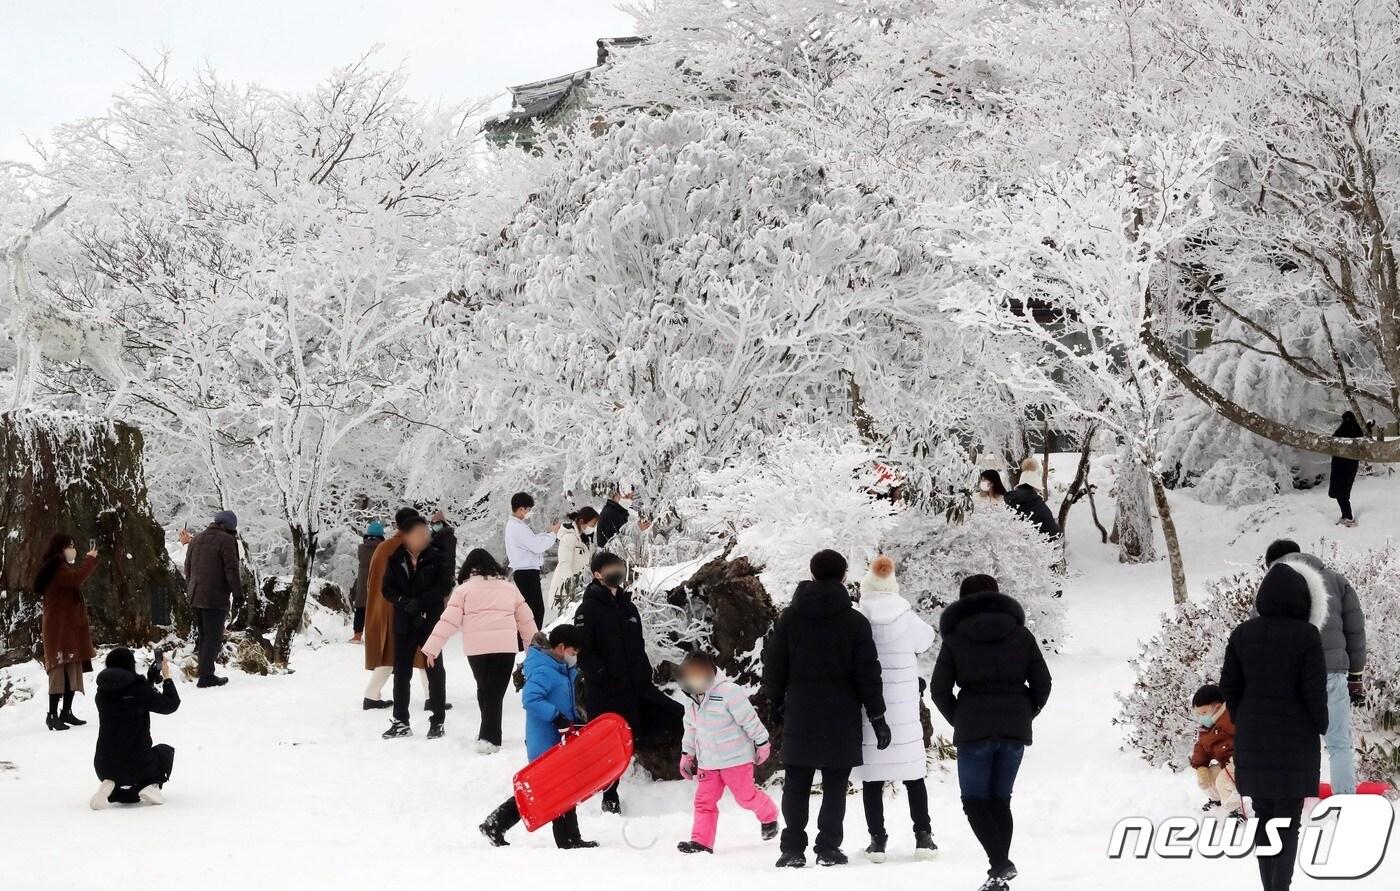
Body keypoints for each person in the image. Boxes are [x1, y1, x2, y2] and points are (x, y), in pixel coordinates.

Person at [763, 549, 889, 868]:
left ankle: (792, 848)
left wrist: (775, 702)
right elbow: (867, 672)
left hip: (801, 709)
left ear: (812, 572)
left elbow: (774, 666)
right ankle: (828, 847)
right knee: (835, 782)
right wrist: (877, 715)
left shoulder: (789, 618)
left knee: (797, 780)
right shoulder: (855, 621)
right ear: (844, 576)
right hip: (841, 713)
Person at [930, 574, 1052, 891]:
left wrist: (960, 717)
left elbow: (939, 690)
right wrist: (1028, 711)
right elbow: (1043, 683)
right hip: (1014, 727)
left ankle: (999, 865)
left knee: (974, 802)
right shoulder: (1021, 635)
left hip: (973, 727)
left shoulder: (955, 638)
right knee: (1000, 801)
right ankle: (999, 874)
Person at [1220, 561, 1329, 891]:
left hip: (1254, 741)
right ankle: (1280, 887)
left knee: (1264, 817)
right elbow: (1314, 689)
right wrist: (1320, 724)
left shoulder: (1242, 634)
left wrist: (1245, 719)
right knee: (1289, 821)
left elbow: (1229, 688)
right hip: (1296, 744)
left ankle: (1270, 886)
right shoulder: (1307, 636)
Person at [574, 550, 684, 814]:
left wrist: (643, 674)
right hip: (606, 692)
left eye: (619, 566)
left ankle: (680, 772)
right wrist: (601, 676)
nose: (617, 572)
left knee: (676, 716)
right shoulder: (587, 609)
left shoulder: (628, 606)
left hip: (637, 687)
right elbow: (584, 652)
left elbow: (638, 646)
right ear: (597, 574)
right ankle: (609, 794)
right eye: (610, 568)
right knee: (610, 743)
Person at [479, 625, 598, 849]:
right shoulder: (545, 670)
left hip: (557, 739)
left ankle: (497, 825)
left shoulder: (560, 669)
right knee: (553, 788)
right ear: (561, 648)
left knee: (556, 788)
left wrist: (574, 722)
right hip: (544, 740)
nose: (575, 657)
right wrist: (557, 717)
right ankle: (567, 839)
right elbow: (531, 699)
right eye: (573, 651)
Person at [852, 554, 938, 862]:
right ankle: (924, 838)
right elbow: (927, 640)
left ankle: (877, 841)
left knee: (873, 777)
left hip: (870, 706)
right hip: (903, 709)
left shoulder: (858, 616)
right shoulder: (907, 616)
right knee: (914, 774)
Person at [1264, 540, 1366, 797]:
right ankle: (1345, 798)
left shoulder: (1272, 588)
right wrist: (1355, 675)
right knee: (1339, 742)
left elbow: (1260, 633)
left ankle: (1297, 796)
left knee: (1294, 741)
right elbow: (1355, 630)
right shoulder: (1336, 580)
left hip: (1292, 675)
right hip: (1333, 671)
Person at [421, 548, 537, 753]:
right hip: (504, 647)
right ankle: (490, 736)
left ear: (469, 569)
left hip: (477, 650)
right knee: (494, 692)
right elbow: (526, 621)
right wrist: (534, 651)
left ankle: (489, 735)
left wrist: (432, 647)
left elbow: (448, 620)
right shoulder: (509, 588)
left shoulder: (463, 591)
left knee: (485, 689)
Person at [676, 651, 779, 855]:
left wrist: (762, 743)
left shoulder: (729, 692)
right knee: (703, 802)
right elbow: (691, 728)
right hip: (708, 763)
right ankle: (701, 842)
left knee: (745, 797)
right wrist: (687, 754)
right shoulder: (692, 701)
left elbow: (749, 719)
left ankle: (769, 815)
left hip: (736, 759)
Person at [380, 515, 452, 739]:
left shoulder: (436, 557)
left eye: (425, 532)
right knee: (401, 672)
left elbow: (444, 586)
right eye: (418, 533)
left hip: (430, 621)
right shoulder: (396, 558)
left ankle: (437, 720)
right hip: (404, 621)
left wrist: (422, 602)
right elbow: (387, 589)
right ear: (406, 535)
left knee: (434, 670)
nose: (424, 536)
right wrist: (403, 602)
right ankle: (401, 721)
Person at [91, 647, 179, 809]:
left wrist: (148, 682)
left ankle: (112, 787)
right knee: (165, 752)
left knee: (119, 769)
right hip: (139, 765)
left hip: (104, 766)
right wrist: (167, 678)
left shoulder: (101, 694)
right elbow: (170, 705)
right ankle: (150, 785)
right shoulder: (140, 690)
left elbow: (126, 697)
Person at [35, 533, 100, 731]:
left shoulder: (59, 567)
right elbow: (77, 578)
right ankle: (52, 714)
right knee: (59, 669)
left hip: (68, 627)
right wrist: (90, 559)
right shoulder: (56, 570)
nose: (73, 549)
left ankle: (66, 711)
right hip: (59, 628)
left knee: (72, 667)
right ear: (60, 548)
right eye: (69, 546)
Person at [361, 509, 415, 710]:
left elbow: (370, 581)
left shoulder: (383, 547)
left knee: (388, 653)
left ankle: (372, 695)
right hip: (399, 606)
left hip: (379, 605)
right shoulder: (405, 546)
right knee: (424, 650)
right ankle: (432, 696)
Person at [183, 510, 241, 688]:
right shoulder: (227, 541)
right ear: (228, 527)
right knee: (213, 636)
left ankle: (204, 671)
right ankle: (206, 676)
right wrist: (238, 594)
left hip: (195, 594)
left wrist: (192, 588)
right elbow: (231, 570)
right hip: (214, 596)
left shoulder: (198, 538)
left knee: (204, 634)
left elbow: (188, 567)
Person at [504, 492, 560, 629]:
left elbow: (533, 541)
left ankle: (529, 642)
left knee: (534, 610)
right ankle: (530, 643)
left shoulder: (517, 526)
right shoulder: (517, 527)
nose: (529, 513)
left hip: (526, 572)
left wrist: (547, 533)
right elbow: (537, 546)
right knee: (534, 612)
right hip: (526, 573)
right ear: (521, 508)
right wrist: (552, 534)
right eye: (528, 509)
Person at [1189, 684, 1241, 818]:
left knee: (1223, 781)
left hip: (1242, 763)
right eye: (1199, 714)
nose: (1201, 717)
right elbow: (1200, 747)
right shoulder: (1206, 728)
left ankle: (1238, 810)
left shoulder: (1231, 719)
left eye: (1204, 713)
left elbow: (1248, 736)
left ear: (1217, 707)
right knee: (1208, 777)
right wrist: (1200, 767)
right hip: (1226, 765)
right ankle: (1216, 799)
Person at [547, 506, 599, 608]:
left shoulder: (583, 539)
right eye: (592, 525)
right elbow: (565, 563)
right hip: (565, 590)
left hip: (578, 587)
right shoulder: (568, 538)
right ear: (581, 521)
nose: (593, 528)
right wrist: (571, 586)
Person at [1329, 411, 1368, 527]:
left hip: (1342, 466)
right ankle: (1345, 515)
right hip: (1346, 466)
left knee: (1342, 493)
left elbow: (1333, 441)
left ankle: (1349, 518)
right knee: (1341, 493)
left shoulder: (1348, 430)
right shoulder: (1356, 430)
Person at [1001, 464, 1060, 540]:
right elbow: (1053, 533)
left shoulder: (1006, 500)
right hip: (1035, 547)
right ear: (1035, 487)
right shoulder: (1039, 505)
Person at [350, 520, 385, 644]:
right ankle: (376, 636)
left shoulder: (362, 549)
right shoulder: (383, 549)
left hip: (363, 583)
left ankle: (357, 635)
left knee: (360, 608)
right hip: (377, 583)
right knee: (377, 610)